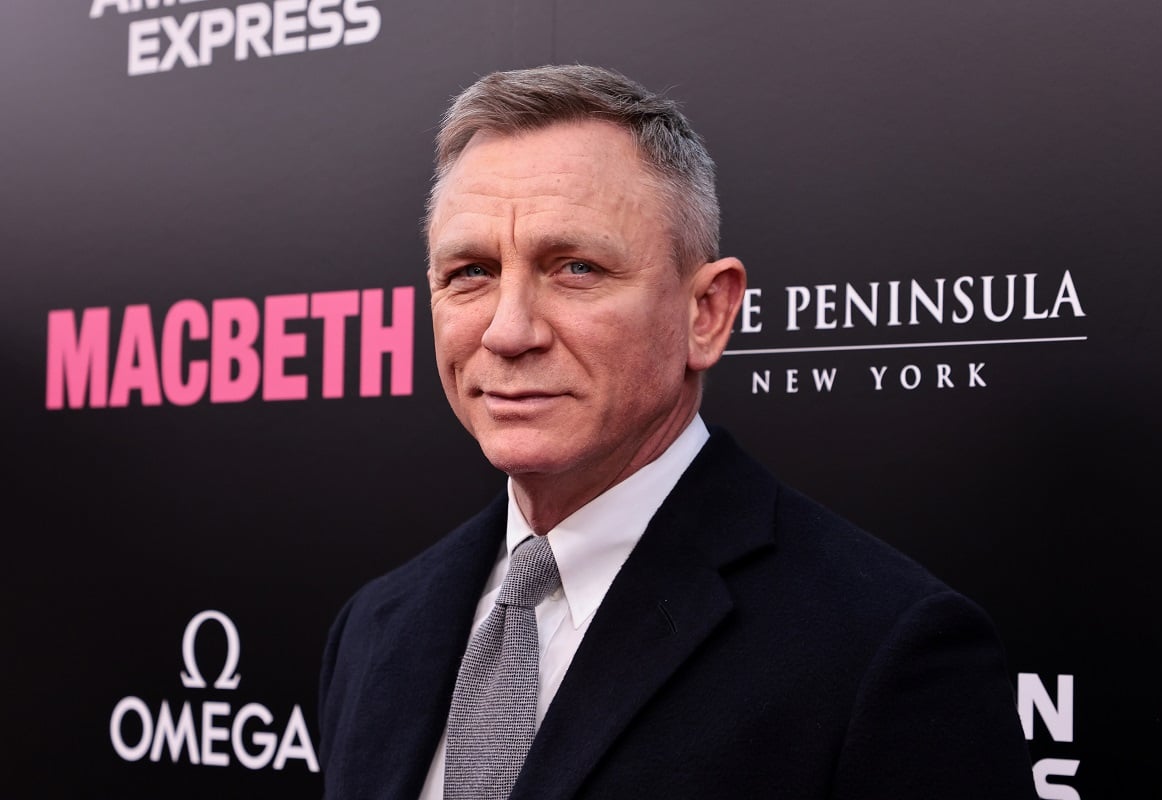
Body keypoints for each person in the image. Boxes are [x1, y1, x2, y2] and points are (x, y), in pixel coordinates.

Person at [318, 64, 1037, 800]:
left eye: (575, 267)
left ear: (707, 314)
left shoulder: (884, 650)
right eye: (471, 272)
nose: (508, 331)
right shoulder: (376, 627)